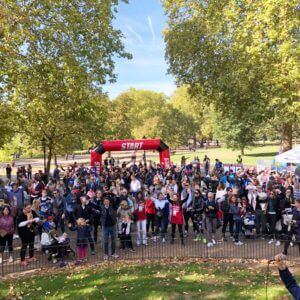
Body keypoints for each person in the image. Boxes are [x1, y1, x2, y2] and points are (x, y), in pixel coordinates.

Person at [17, 202, 39, 266]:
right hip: (23, 233)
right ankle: (22, 260)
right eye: (28, 208)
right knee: (24, 246)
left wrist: (34, 219)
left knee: (31, 245)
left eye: (30, 208)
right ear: (24, 208)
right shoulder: (21, 215)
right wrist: (28, 221)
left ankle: (31, 256)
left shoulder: (32, 212)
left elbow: (37, 219)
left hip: (31, 232)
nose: (29, 209)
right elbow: (19, 224)